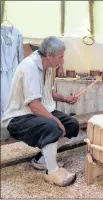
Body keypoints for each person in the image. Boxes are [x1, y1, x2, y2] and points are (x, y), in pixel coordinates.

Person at [1, 36, 80, 187]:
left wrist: (65, 99)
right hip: (18, 117)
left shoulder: (47, 67)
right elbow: (34, 105)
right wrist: (55, 120)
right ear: (49, 56)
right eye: (61, 57)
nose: (62, 61)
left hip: (36, 111)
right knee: (53, 126)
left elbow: (48, 93)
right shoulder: (29, 67)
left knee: (72, 125)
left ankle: (41, 159)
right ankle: (53, 172)